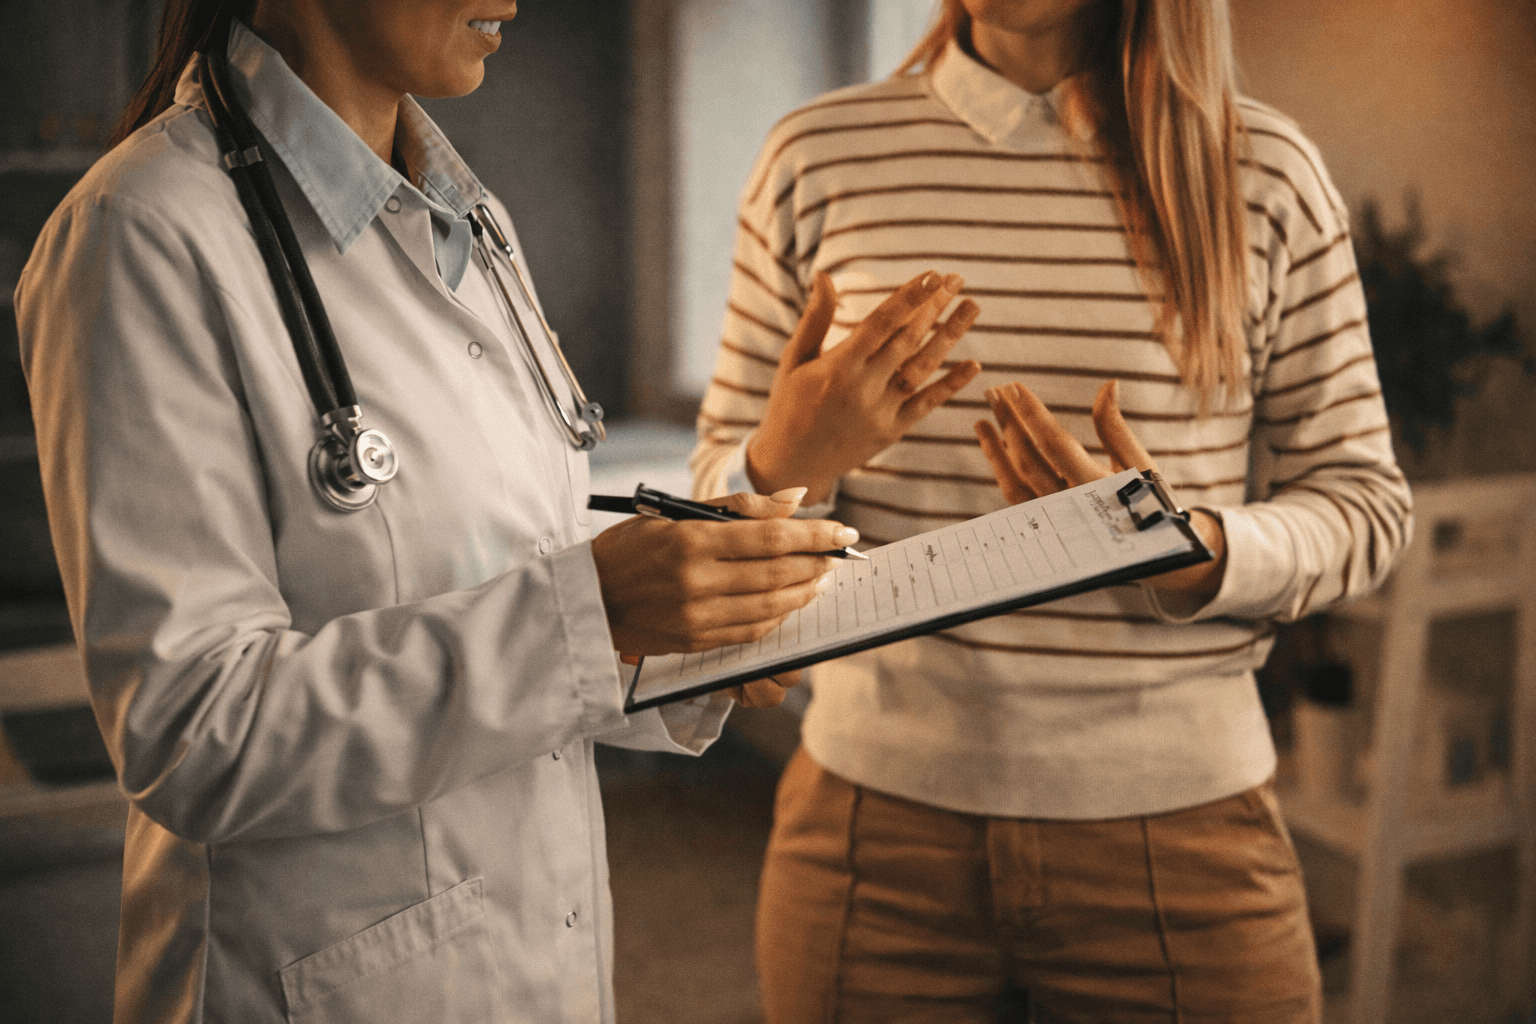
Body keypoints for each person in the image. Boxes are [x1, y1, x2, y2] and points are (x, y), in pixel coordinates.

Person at [3, 1, 956, 1020]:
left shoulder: (469, 220)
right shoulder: (141, 233)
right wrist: (592, 616)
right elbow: (192, 730)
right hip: (310, 980)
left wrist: (685, 632)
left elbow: (517, 564)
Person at [691, 1, 1413, 1021]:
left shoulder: (1268, 174)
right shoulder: (815, 157)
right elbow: (702, 517)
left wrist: (1190, 552)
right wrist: (784, 461)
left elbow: (1367, 505)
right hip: (872, 838)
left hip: (1182, 838)